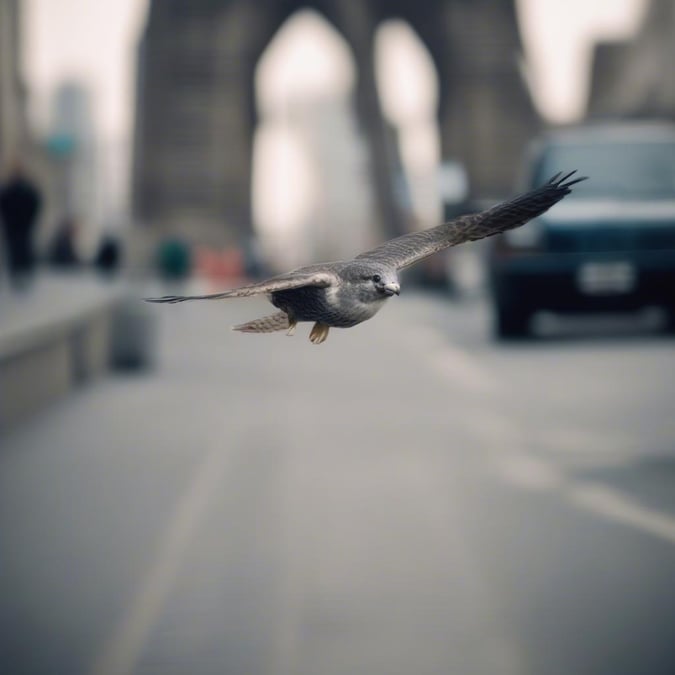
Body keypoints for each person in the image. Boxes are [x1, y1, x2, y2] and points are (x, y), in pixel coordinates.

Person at [0, 161, 42, 287]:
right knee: (17, 249)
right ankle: (19, 273)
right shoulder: (13, 189)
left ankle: (22, 273)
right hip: (15, 226)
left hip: (20, 226)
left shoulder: (23, 189)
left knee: (21, 248)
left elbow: (35, 202)